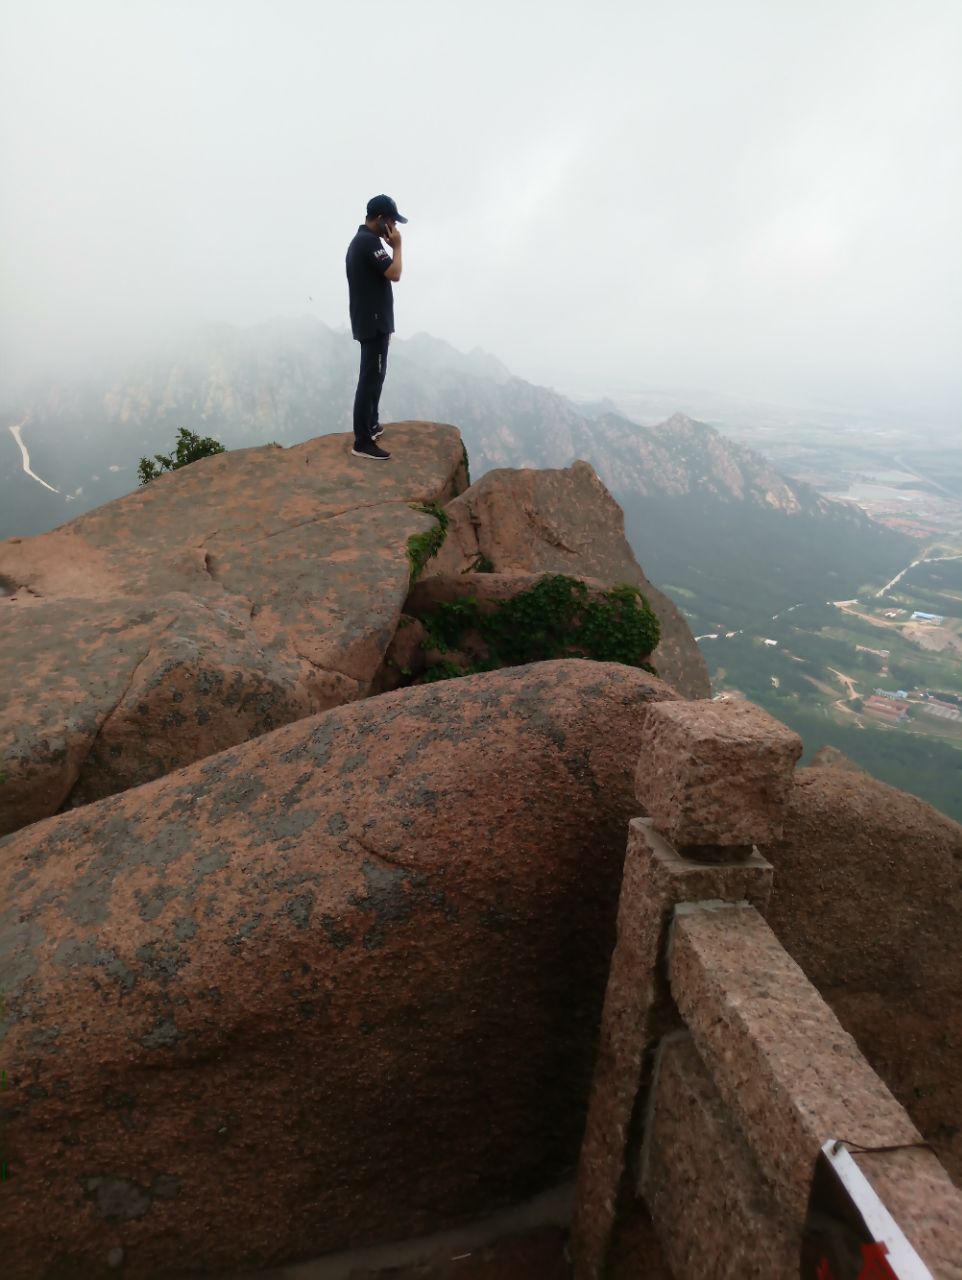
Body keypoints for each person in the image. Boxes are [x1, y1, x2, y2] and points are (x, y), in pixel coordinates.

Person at [345, 194, 407, 460]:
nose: (394, 227)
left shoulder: (364, 242)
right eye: (392, 221)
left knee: (375, 374)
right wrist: (398, 247)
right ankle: (362, 441)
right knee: (370, 378)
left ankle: (371, 424)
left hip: (373, 319)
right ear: (380, 219)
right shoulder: (369, 243)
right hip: (372, 321)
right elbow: (394, 274)